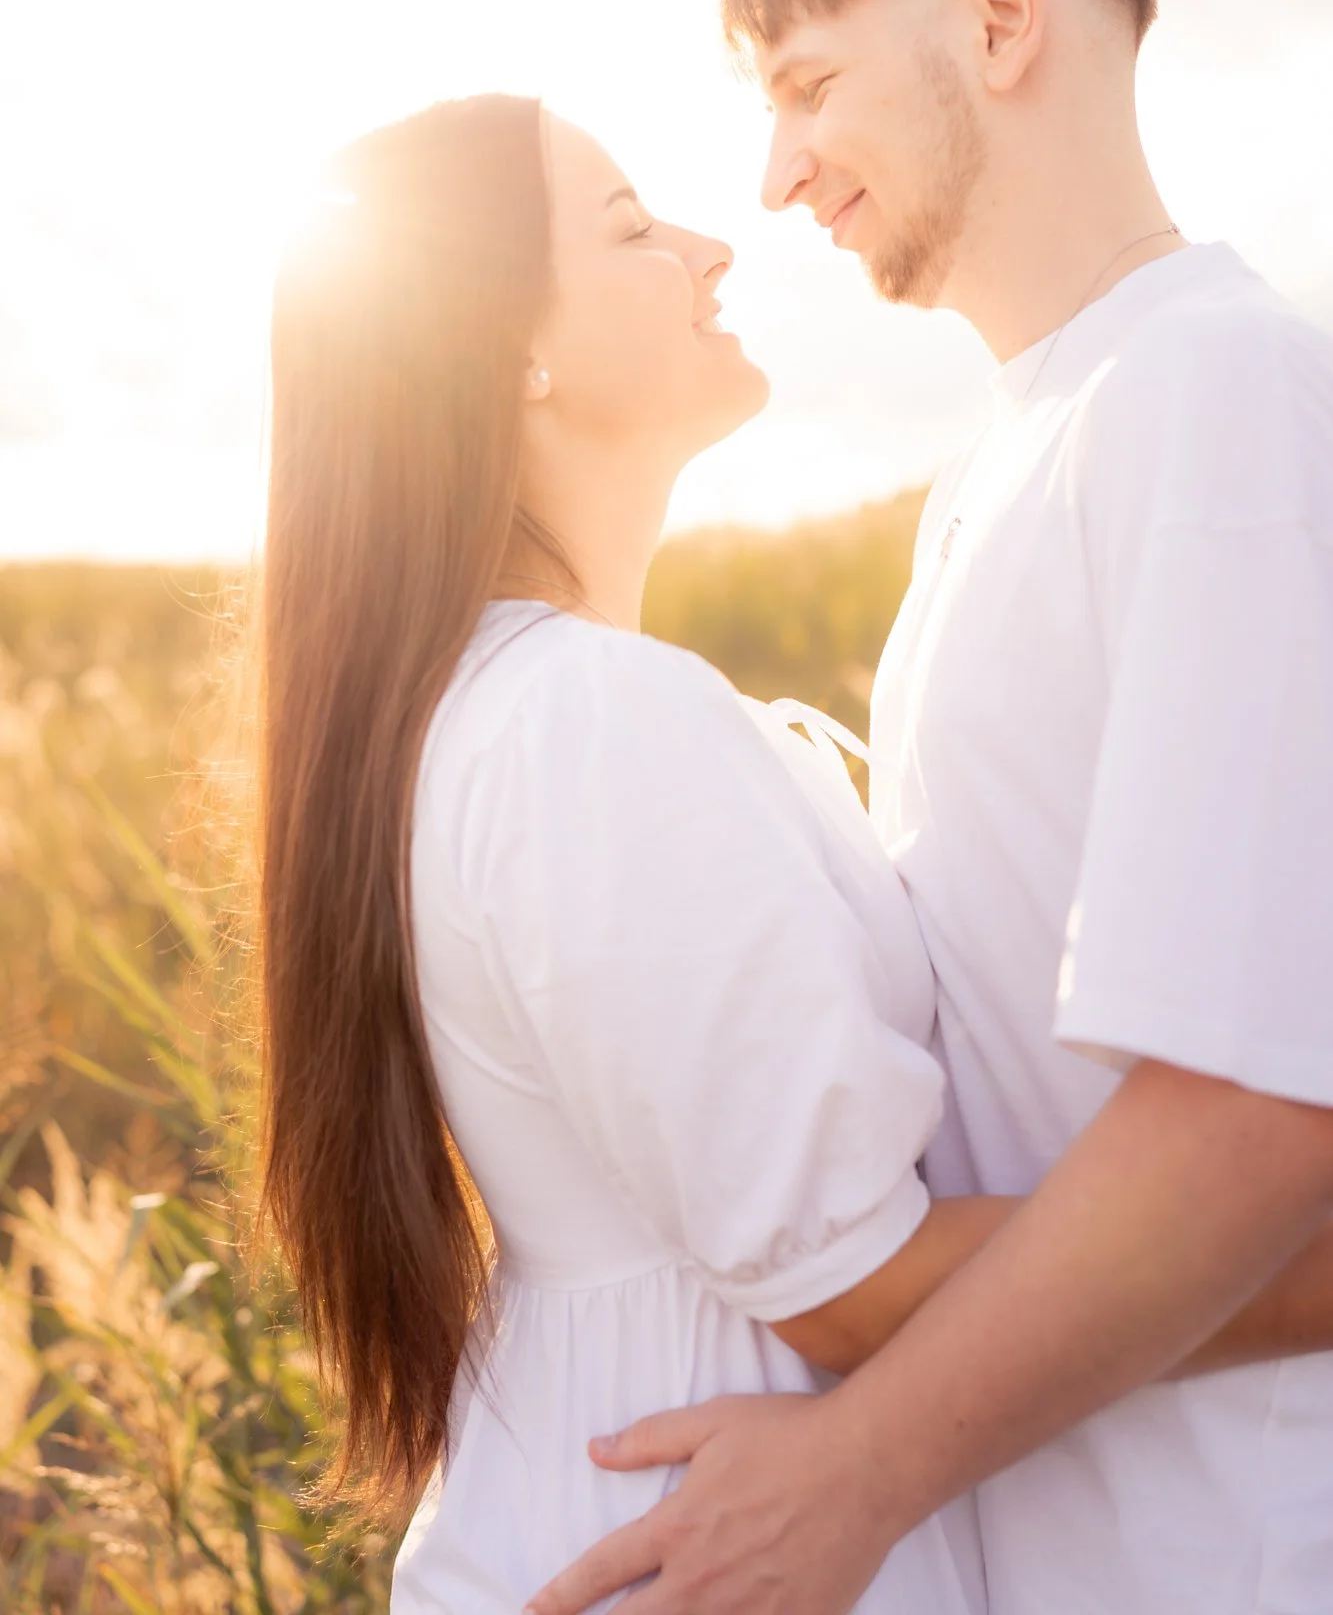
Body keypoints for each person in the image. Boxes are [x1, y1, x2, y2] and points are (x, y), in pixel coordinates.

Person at [256, 90, 1330, 1613]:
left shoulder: (529, 706)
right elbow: (859, 1291)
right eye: (633, 228)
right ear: (512, 355)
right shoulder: (586, 720)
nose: (710, 248)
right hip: (695, 1544)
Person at [528, 0, 1333, 1615]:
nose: (777, 174)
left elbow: (1258, 1112)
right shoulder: (1022, 460)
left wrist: (855, 1475)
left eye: (808, 85)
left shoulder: (1211, 407)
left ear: (996, 18)